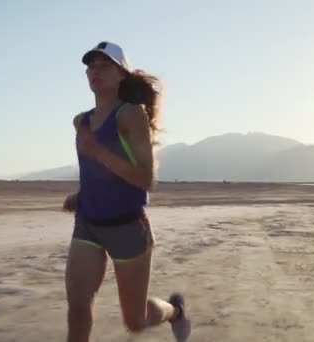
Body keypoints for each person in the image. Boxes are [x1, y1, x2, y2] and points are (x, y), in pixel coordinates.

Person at [62, 41, 192, 342]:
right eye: (91, 67)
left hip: (128, 228)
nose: (95, 71)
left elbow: (147, 179)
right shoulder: (81, 121)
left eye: (104, 65)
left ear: (122, 74)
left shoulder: (130, 115)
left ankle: (175, 311)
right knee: (77, 310)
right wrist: (82, 194)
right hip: (88, 224)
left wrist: (99, 151)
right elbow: (94, 171)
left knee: (135, 321)